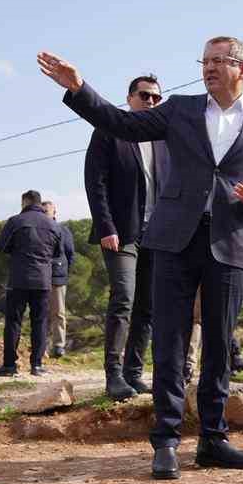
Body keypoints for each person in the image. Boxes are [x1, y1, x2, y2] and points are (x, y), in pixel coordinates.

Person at [38, 38, 243, 480]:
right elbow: (120, 123)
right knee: (170, 342)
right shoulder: (179, 109)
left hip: (231, 242)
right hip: (173, 239)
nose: (209, 68)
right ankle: (167, 440)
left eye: (219, 61)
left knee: (218, 344)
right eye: (205, 61)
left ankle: (214, 439)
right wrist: (79, 87)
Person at [83, 74, 166, 400]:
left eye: (156, 98)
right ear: (130, 97)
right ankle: (113, 375)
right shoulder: (109, 131)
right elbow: (95, 181)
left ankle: (134, 373)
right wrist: (106, 227)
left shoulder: (162, 138)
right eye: (144, 96)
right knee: (124, 299)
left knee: (148, 306)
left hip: (157, 234)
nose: (150, 102)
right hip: (122, 233)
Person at [0, 189, 61, 377]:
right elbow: (57, 252)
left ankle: (9, 365)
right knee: (40, 322)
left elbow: (1, 247)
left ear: (25, 202)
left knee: (13, 322)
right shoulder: (53, 225)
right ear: (39, 203)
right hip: (43, 280)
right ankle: (36, 365)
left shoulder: (15, 221)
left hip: (19, 279)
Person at [43, 201, 77, 358]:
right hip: (40, 276)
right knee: (40, 314)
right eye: (42, 210)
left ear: (54, 212)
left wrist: (63, 272)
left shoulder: (63, 230)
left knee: (58, 313)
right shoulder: (38, 230)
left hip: (57, 276)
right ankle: (41, 346)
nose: (44, 213)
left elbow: (70, 254)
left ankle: (58, 346)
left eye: (47, 210)